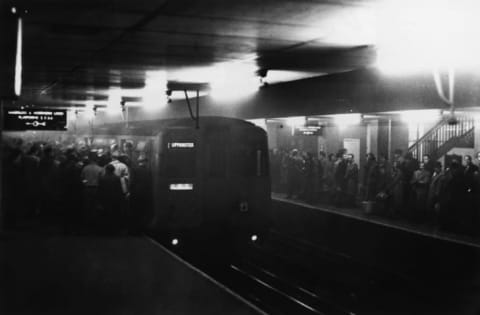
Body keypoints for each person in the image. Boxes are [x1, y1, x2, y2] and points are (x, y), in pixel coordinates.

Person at [98, 164, 124, 233]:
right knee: (114, 215)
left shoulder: (102, 178)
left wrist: (99, 201)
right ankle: (114, 230)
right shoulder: (117, 178)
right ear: (113, 170)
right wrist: (121, 199)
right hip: (114, 199)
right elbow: (119, 189)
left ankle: (106, 230)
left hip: (105, 199)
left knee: (105, 215)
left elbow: (100, 190)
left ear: (106, 170)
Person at [81, 152, 103, 229]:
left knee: (87, 207)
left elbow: (82, 179)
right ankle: (95, 224)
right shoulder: (100, 168)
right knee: (96, 206)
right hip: (97, 188)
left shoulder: (85, 168)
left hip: (87, 188)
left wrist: (86, 183)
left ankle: (87, 224)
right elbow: (102, 180)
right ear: (96, 159)